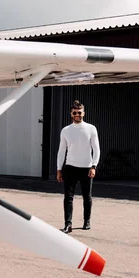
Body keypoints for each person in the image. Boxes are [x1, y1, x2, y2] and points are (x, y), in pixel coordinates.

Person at [56, 100, 100, 233]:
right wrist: (59, 169)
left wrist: (94, 166)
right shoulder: (65, 130)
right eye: (75, 113)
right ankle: (68, 224)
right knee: (68, 197)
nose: (77, 115)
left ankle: (87, 220)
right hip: (70, 168)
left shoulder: (91, 128)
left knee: (87, 196)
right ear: (71, 114)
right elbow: (61, 151)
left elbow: (96, 149)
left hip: (86, 167)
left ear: (83, 113)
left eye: (79, 113)